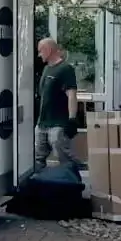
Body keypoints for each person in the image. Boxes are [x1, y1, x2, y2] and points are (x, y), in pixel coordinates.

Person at [34, 37, 83, 174]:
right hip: (42, 123)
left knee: (64, 157)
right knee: (38, 158)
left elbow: (71, 94)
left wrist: (72, 119)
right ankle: (39, 185)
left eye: (40, 51)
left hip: (58, 124)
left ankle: (73, 183)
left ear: (49, 50)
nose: (39, 55)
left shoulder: (65, 69)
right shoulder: (46, 69)